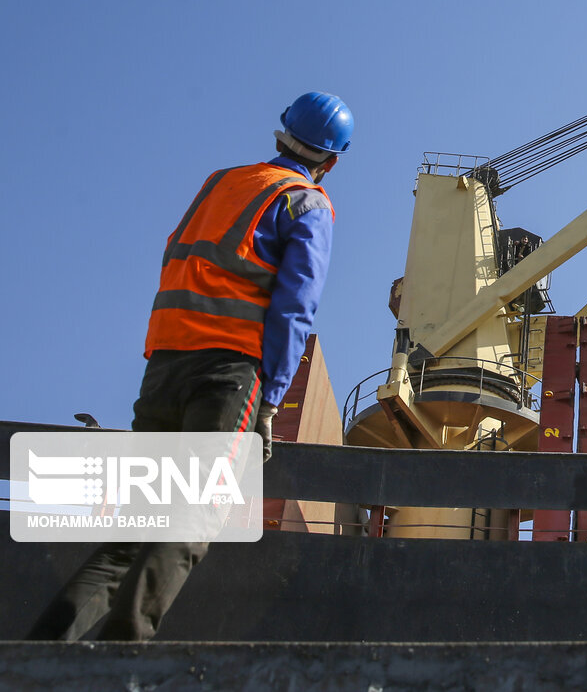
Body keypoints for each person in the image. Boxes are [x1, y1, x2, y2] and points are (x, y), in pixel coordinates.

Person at [26, 91, 354, 641]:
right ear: (333, 160)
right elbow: (295, 308)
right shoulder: (307, 202)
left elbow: (177, 253)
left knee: (134, 530)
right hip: (227, 375)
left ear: (281, 133)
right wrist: (271, 401)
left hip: (165, 366)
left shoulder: (220, 183)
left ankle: (39, 655)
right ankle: (123, 657)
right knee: (194, 514)